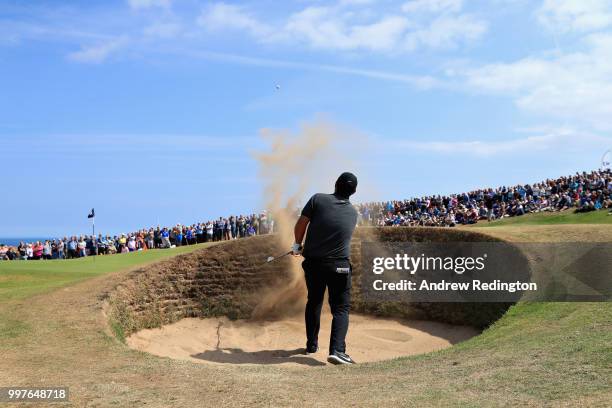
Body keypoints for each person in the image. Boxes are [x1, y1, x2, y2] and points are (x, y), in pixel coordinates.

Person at [292, 172, 359, 365]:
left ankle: (311, 345)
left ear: (336, 184)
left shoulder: (317, 199)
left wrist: (297, 245)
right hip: (339, 266)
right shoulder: (353, 213)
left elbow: (301, 223)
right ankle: (337, 350)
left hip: (313, 264)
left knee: (314, 301)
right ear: (353, 191)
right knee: (341, 308)